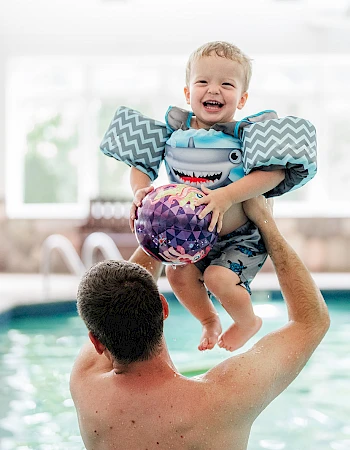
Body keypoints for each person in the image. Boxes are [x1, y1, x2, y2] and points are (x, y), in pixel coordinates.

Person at [70, 195, 330, 450]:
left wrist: (161, 228)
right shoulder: (222, 398)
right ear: (163, 307)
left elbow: (114, 304)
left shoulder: (85, 385)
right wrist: (265, 221)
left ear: (96, 341)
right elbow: (311, 322)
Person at [130, 41, 286, 352]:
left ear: (241, 99)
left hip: (239, 238)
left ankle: (247, 321)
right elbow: (140, 165)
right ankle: (208, 320)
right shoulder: (173, 133)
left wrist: (227, 196)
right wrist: (139, 191)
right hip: (190, 238)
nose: (213, 90)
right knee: (177, 274)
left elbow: (275, 173)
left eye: (226, 84)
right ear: (188, 93)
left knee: (218, 279)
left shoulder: (246, 135)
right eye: (203, 81)